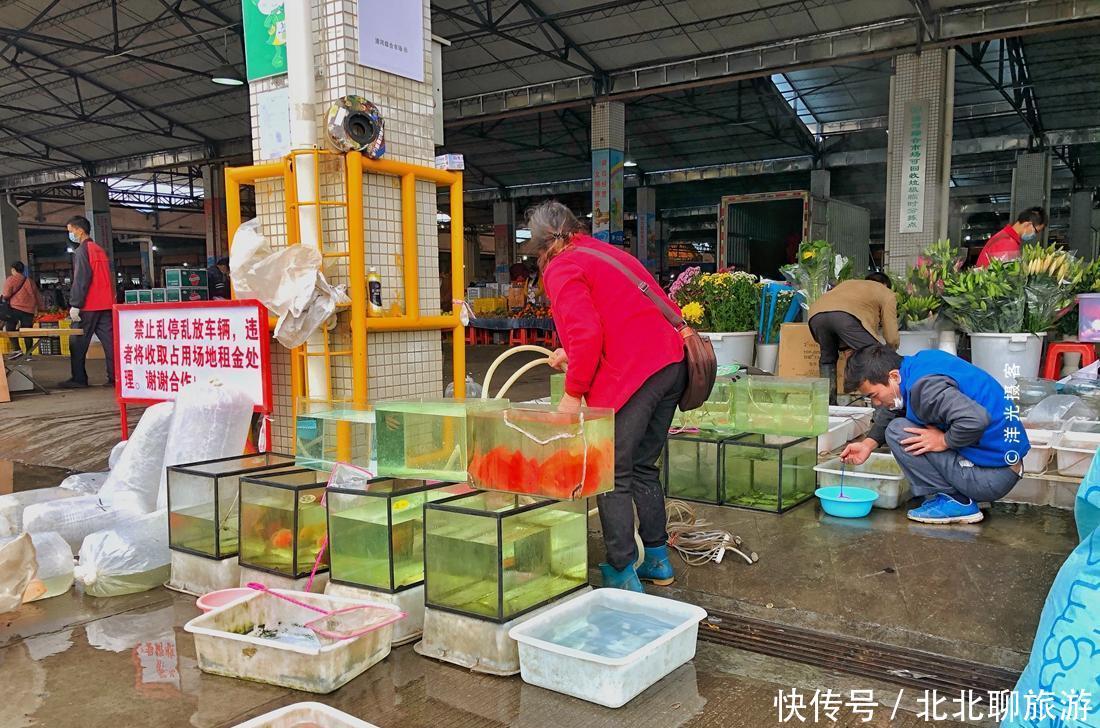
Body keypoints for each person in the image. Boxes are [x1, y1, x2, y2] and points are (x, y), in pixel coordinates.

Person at [523, 200, 686, 592]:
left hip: (635, 371)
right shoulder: (602, 251)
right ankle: (658, 560)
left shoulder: (561, 267)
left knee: (610, 470)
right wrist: (572, 354)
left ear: (540, 247)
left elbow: (588, 334)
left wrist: (572, 394)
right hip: (671, 363)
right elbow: (613, 315)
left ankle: (622, 570)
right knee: (643, 465)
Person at [840, 345, 1028, 525]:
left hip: (992, 477)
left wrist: (943, 440)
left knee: (899, 431)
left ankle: (957, 502)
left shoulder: (926, 387)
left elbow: (975, 420)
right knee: (901, 422)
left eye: (874, 395)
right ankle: (959, 495)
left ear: (893, 376)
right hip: (999, 467)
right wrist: (867, 445)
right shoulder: (917, 366)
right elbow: (896, 405)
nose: (876, 403)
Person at [807, 272, 899, 404]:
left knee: (827, 360)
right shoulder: (886, 292)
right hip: (845, 317)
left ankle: (828, 406)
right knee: (876, 356)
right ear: (886, 285)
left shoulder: (849, 284)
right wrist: (890, 354)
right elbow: (891, 334)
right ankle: (882, 407)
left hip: (816, 315)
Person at [61, 215, 115, 389]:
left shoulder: (82, 251)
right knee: (110, 343)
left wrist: (75, 303)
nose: (70, 235)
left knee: (76, 342)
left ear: (80, 230)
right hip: (106, 304)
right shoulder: (99, 249)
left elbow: (81, 279)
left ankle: (78, 379)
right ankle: (116, 378)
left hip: (89, 305)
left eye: (71, 231)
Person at [975, 207, 1046, 267]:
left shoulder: (1004, 235)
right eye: (1036, 231)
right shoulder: (1008, 243)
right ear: (1028, 224)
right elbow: (1007, 277)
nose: (1035, 235)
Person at [1, 261, 41, 358]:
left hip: (15, 309)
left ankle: (17, 350)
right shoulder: (29, 281)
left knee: (10, 328)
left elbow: (6, 295)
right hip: (29, 310)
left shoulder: (11, 279)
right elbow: (37, 296)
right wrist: (39, 308)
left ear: (13, 269)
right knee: (27, 331)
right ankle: (29, 354)